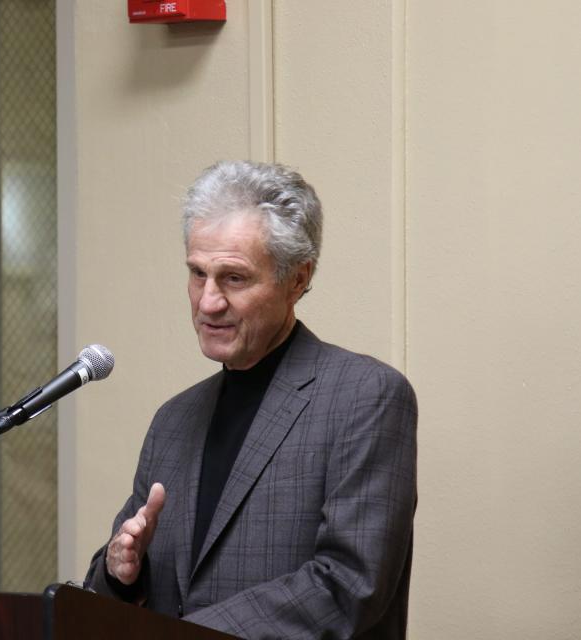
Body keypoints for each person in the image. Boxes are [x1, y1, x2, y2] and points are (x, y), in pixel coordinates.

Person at [84, 161, 418, 639]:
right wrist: (121, 572)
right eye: (198, 274)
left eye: (234, 279)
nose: (207, 302)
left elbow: (349, 586)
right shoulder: (174, 420)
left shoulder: (366, 396)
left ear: (297, 279)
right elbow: (120, 583)